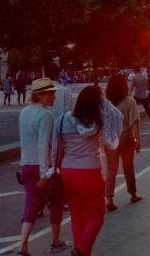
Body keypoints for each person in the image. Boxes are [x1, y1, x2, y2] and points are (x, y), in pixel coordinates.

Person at [50, 86, 122, 256]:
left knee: (77, 216)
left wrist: (53, 170)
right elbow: (114, 126)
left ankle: (81, 250)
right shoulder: (98, 121)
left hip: (68, 172)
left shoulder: (61, 120)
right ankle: (81, 250)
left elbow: (55, 150)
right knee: (97, 216)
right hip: (90, 172)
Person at [17, 78, 69, 256]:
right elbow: (43, 144)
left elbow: (25, 141)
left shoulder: (24, 112)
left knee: (31, 204)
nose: (54, 97)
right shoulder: (46, 115)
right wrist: (45, 173)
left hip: (26, 164)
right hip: (43, 166)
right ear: (39, 95)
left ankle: (23, 245)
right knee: (56, 202)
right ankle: (55, 241)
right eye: (50, 94)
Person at [103, 74, 142, 212]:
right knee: (128, 167)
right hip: (125, 138)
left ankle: (109, 199)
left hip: (109, 140)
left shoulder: (105, 103)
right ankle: (133, 194)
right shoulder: (129, 102)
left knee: (111, 169)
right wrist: (137, 140)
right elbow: (134, 123)